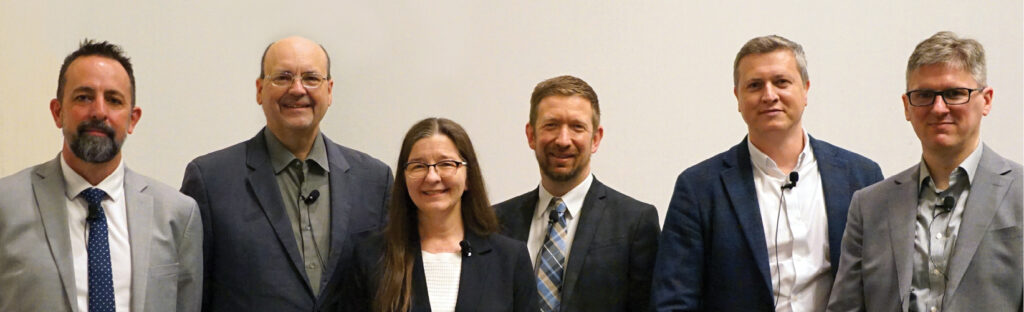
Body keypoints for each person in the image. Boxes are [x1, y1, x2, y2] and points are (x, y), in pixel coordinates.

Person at [650, 35, 883, 311]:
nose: (769, 95)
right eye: (754, 85)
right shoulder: (698, 188)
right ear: (737, 97)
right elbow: (674, 301)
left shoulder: (860, 177)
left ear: (805, 90)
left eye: (781, 82)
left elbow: (881, 287)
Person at [180, 36, 392, 310]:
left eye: (311, 78)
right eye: (282, 77)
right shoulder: (210, 180)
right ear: (259, 90)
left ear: (329, 90)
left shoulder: (375, 181)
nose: (297, 89)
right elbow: (191, 292)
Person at [0, 39, 202, 311]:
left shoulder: (177, 214)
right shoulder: (6, 205)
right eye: (83, 97)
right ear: (57, 112)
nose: (99, 112)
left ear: (133, 119)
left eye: (114, 100)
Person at [827, 31, 1022, 312]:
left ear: (987, 100)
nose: (939, 108)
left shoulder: (1019, 193)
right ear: (907, 106)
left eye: (955, 93)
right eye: (924, 95)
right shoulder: (869, 206)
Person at [494, 75, 660, 312]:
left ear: (595, 138)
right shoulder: (497, 221)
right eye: (551, 125)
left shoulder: (634, 222)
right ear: (531, 135)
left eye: (577, 127)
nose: (563, 140)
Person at [345, 117, 537, 312]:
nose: (432, 177)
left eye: (446, 164)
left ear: (468, 177)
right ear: (404, 179)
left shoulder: (510, 258)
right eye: (418, 166)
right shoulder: (371, 256)